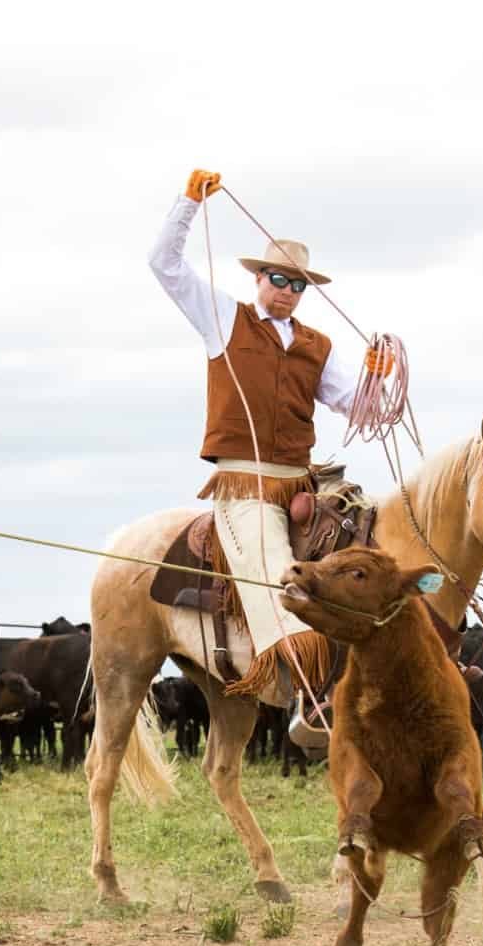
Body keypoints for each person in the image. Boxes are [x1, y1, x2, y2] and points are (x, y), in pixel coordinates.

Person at [147, 169, 391, 710]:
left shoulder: (316, 344)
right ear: (259, 279)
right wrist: (189, 203)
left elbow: (358, 405)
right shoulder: (223, 317)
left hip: (302, 480)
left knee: (368, 537)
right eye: (278, 280)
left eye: (297, 284)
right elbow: (164, 264)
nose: (286, 291)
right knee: (276, 572)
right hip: (245, 485)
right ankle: (305, 693)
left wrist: (376, 376)